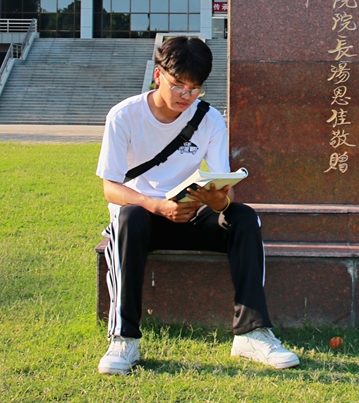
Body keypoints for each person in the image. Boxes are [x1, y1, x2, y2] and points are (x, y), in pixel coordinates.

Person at [94, 36, 299, 376]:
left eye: (194, 89)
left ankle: (252, 334)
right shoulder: (124, 116)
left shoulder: (209, 119)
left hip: (190, 212)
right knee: (129, 216)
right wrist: (156, 206)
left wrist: (218, 198)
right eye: (178, 85)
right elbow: (110, 188)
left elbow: (221, 188)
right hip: (144, 218)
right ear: (158, 75)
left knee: (243, 217)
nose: (185, 96)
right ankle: (123, 338)